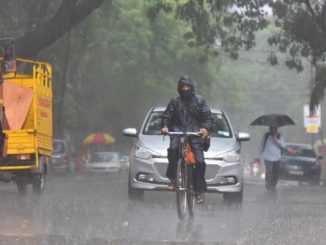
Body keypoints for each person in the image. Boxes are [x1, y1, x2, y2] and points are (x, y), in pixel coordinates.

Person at [161, 75, 212, 204]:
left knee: (199, 162)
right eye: (183, 86)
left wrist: (205, 128)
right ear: (179, 88)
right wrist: (165, 126)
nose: (185, 89)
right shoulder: (174, 101)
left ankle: (199, 191)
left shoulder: (200, 101)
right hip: (177, 132)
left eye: (187, 86)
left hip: (195, 134)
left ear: (191, 87)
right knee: (173, 149)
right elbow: (166, 116)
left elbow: (208, 118)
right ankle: (173, 178)